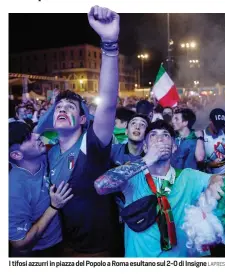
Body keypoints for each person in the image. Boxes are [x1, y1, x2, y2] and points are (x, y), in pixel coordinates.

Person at [35, 6, 121, 257]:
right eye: (58, 106)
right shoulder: (47, 154)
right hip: (64, 246)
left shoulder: (92, 144)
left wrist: (109, 43)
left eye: (70, 107)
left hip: (99, 252)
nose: (62, 109)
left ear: (83, 119)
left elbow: (107, 102)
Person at [94, 120, 224, 257]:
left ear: (174, 147)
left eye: (166, 135)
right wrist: (147, 160)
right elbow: (100, 186)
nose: (160, 138)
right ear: (145, 146)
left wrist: (215, 182)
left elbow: (220, 178)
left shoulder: (189, 177)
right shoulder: (133, 176)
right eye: (153, 135)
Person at [9, 121, 73, 257]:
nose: (36, 136)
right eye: (27, 138)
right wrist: (54, 207)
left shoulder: (46, 156)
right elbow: (19, 243)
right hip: (40, 252)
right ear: (17, 155)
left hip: (62, 240)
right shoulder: (14, 189)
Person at [203, 108, 225, 174]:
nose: (218, 128)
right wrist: (211, 164)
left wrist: (221, 163)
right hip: (206, 176)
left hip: (224, 174)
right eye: (216, 125)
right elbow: (198, 161)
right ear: (210, 120)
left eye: (220, 125)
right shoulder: (202, 136)